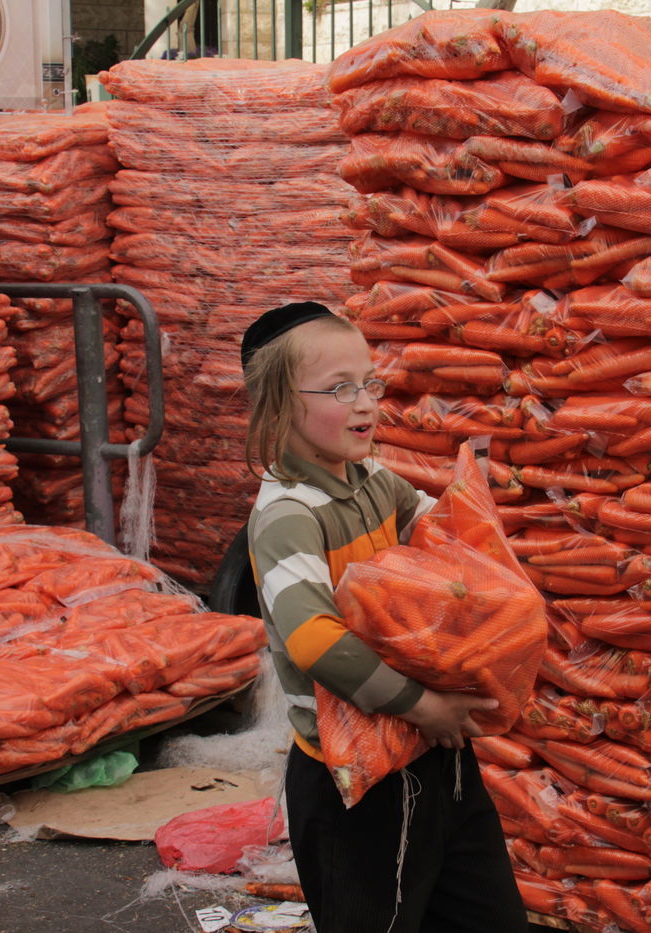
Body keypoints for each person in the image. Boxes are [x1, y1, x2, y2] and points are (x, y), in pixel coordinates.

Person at [241, 302, 528, 933]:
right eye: (339, 389)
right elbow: (315, 643)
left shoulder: (368, 479)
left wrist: (484, 545)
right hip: (355, 779)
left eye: (370, 383)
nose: (367, 403)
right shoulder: (289, 516)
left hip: (433, 755)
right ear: (278, 404)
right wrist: (423, 705)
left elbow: (437, 532)